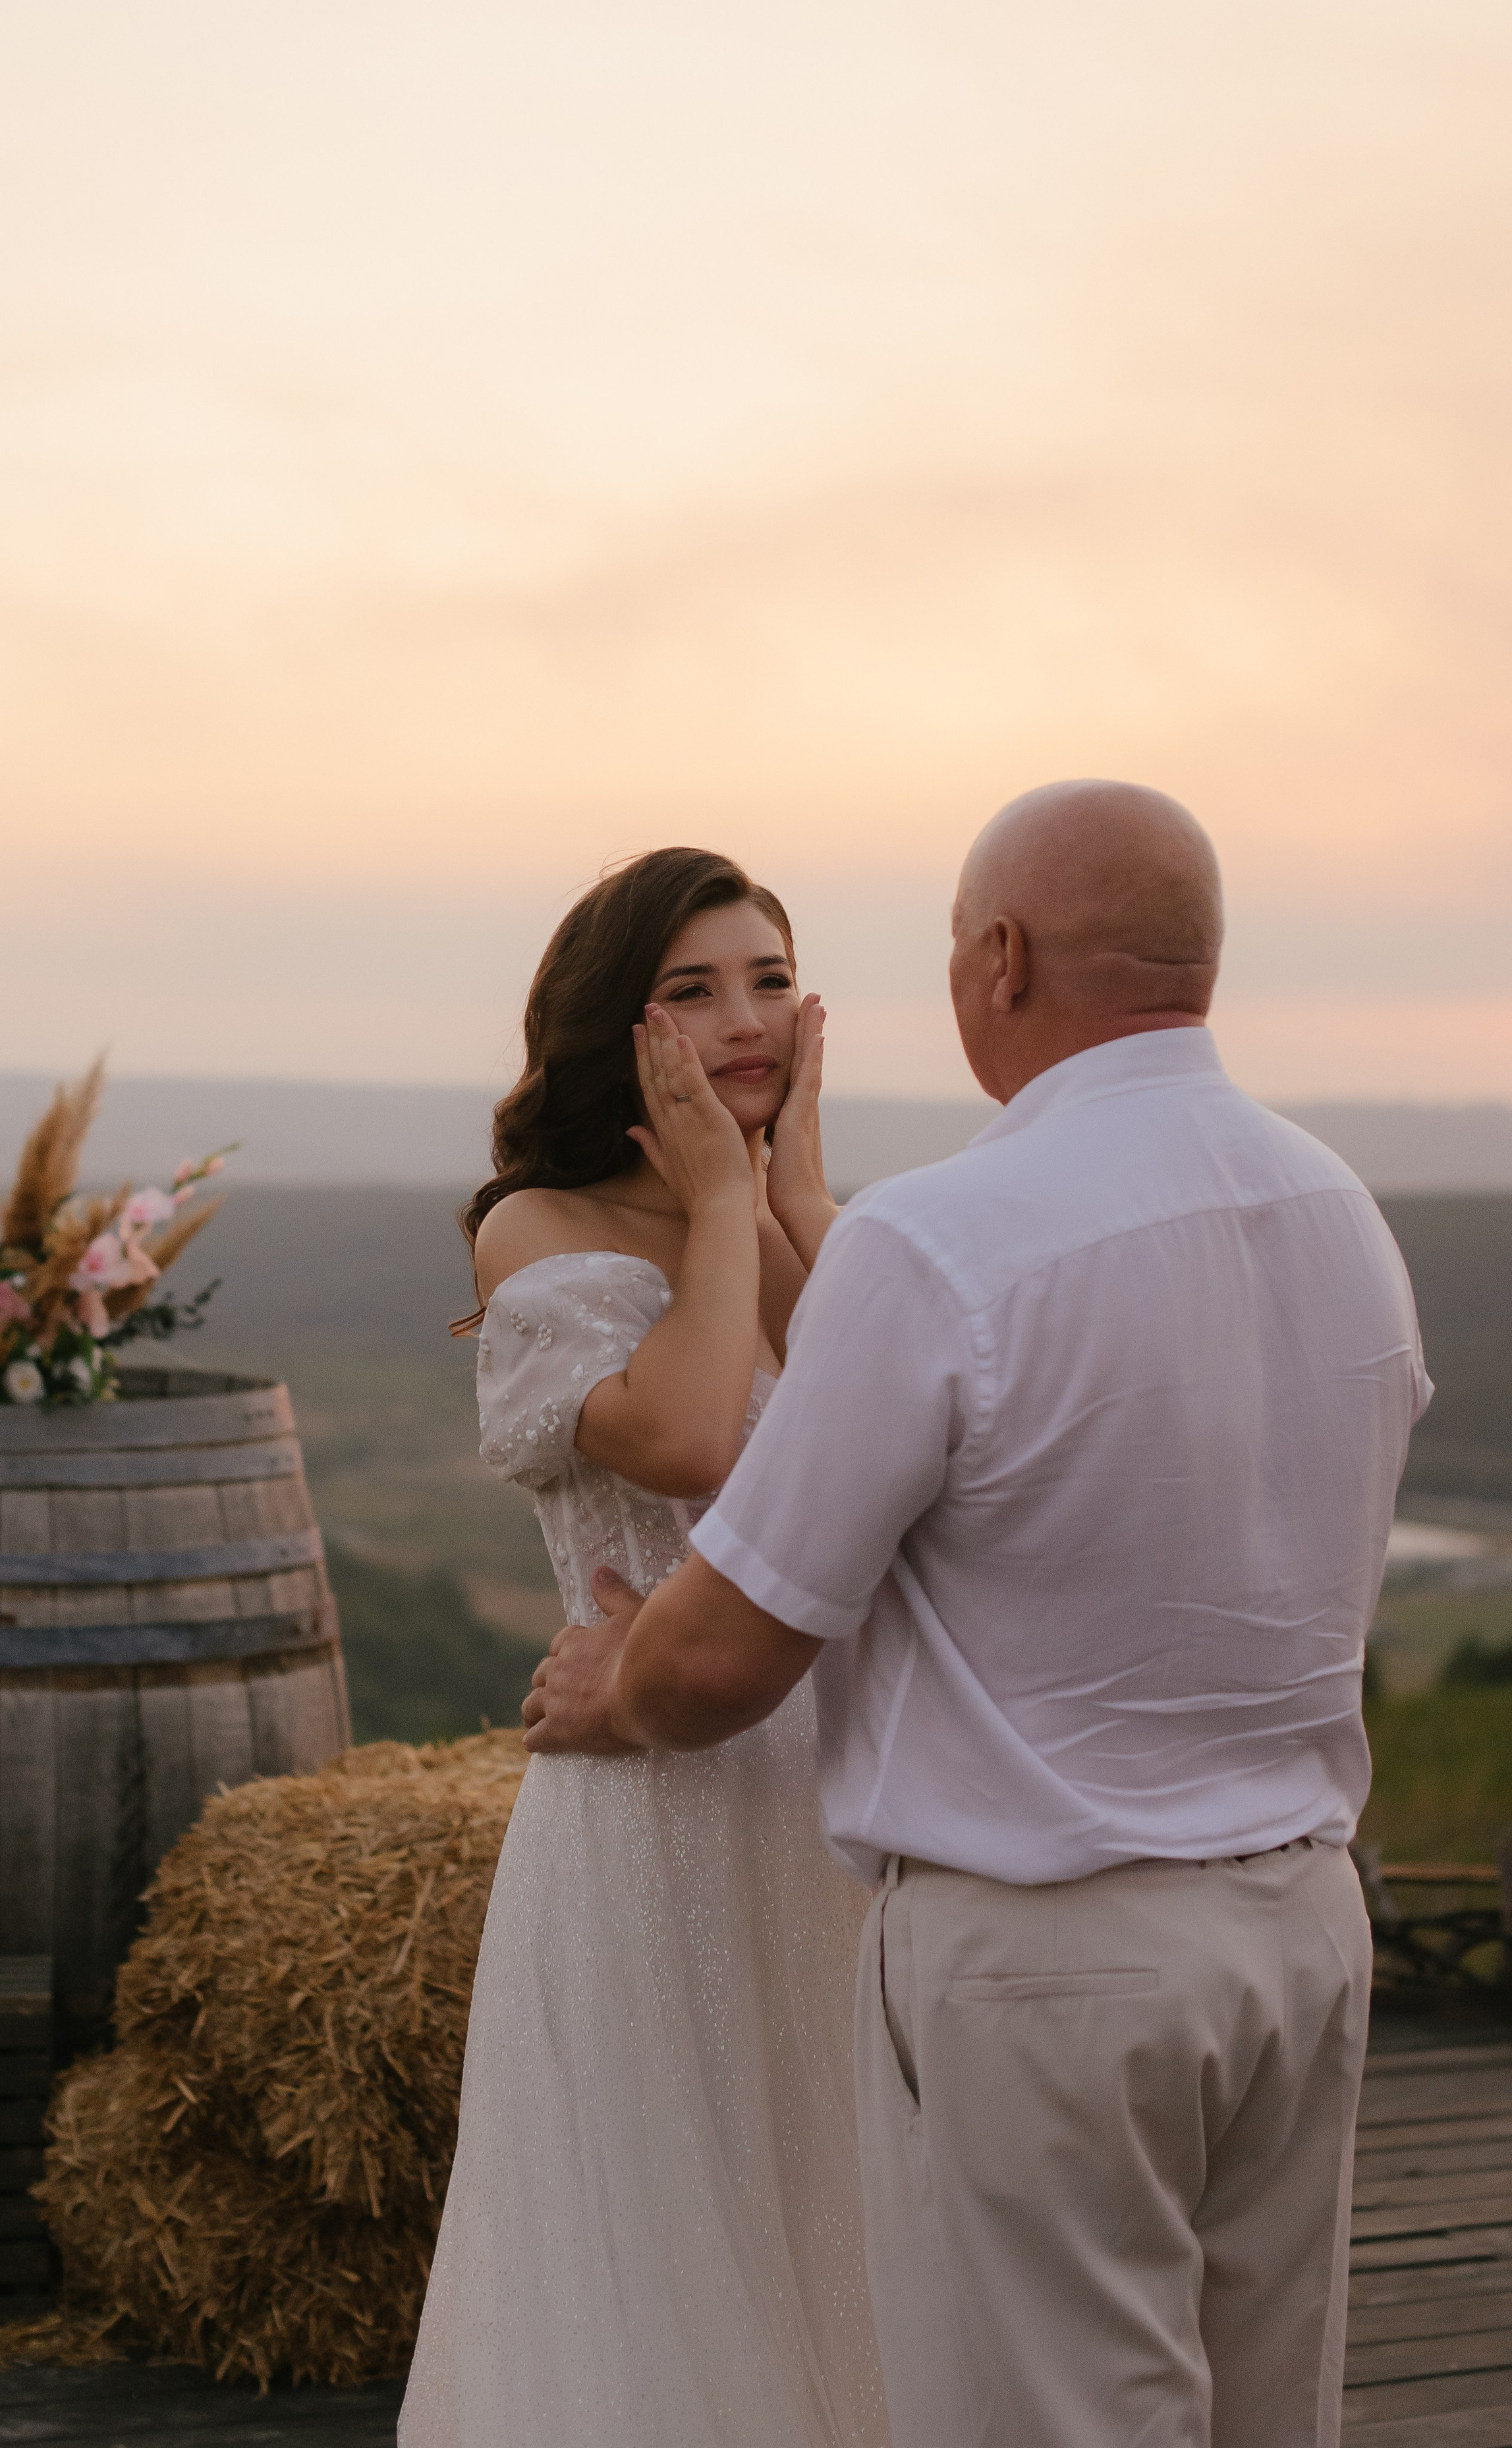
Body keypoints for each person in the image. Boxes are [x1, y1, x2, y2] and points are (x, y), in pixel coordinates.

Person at [526, 781, 1433, 2448]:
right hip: (1301, 1934)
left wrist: (613, 1690)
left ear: (998, 960)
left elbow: (725, 1653)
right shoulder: (1341, 1217)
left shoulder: (944, 1241)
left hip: (1046, 1969)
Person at [399, 848, 890, 2448]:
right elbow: (686, 1439)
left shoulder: (825, 1223)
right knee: (659, 2243)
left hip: (839, 1796)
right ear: (616, 1023)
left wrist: (799, 1195)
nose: (743, 1019)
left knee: (848, 2216)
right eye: (690, 989)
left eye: (769, 977)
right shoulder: (541, 1226)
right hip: (653, 1819)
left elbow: (897, 1450)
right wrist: (730, 1203)